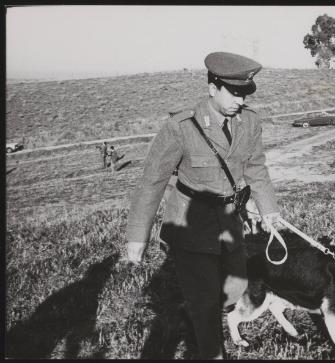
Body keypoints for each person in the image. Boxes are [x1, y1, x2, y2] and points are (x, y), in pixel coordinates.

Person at [125, 51, 282, 359]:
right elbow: (151, 181)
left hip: (230, 220)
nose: (240, 100)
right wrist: (136, 235)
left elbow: (256, 167)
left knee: (236, 289)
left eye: (244, 93)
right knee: (206, 302)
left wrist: (269, 208)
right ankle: (212, 350)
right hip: (191, 226)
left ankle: (198, 309)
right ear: (213, 89)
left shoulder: (249, 122)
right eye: (234, 92)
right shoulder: (181, 127)